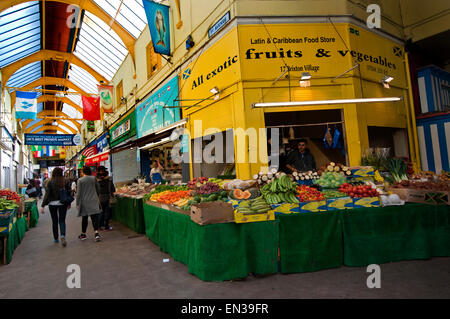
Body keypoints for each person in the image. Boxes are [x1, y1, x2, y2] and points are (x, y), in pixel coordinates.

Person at [40, 168, 72, 247]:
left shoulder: (50, 182)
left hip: (52, 204)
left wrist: (43, 205)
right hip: (62, 203)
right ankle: (62, 235)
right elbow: (69, 193)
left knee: (54, 221)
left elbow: (47, 194)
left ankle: (56, 238)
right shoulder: (65, 181)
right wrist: (69, 203)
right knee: (62, 221)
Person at [77, 166, 102, 242]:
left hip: (84, 202)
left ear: (83, 172)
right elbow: (98, 189)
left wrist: (78, 203)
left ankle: (83, 234)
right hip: (94, 200)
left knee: (84, 218)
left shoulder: (80, 180)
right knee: (94, 218)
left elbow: (79, 193)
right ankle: (96, 234)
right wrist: (96, 196)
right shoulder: (93, 178)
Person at [97, 166, 115, 231]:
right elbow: (113, 189)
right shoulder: (109, 179)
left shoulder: (96, 180)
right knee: (107, 212)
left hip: (99, 198)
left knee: (101, 212)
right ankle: (106, 227)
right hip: (108, 197)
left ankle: (99, 226)